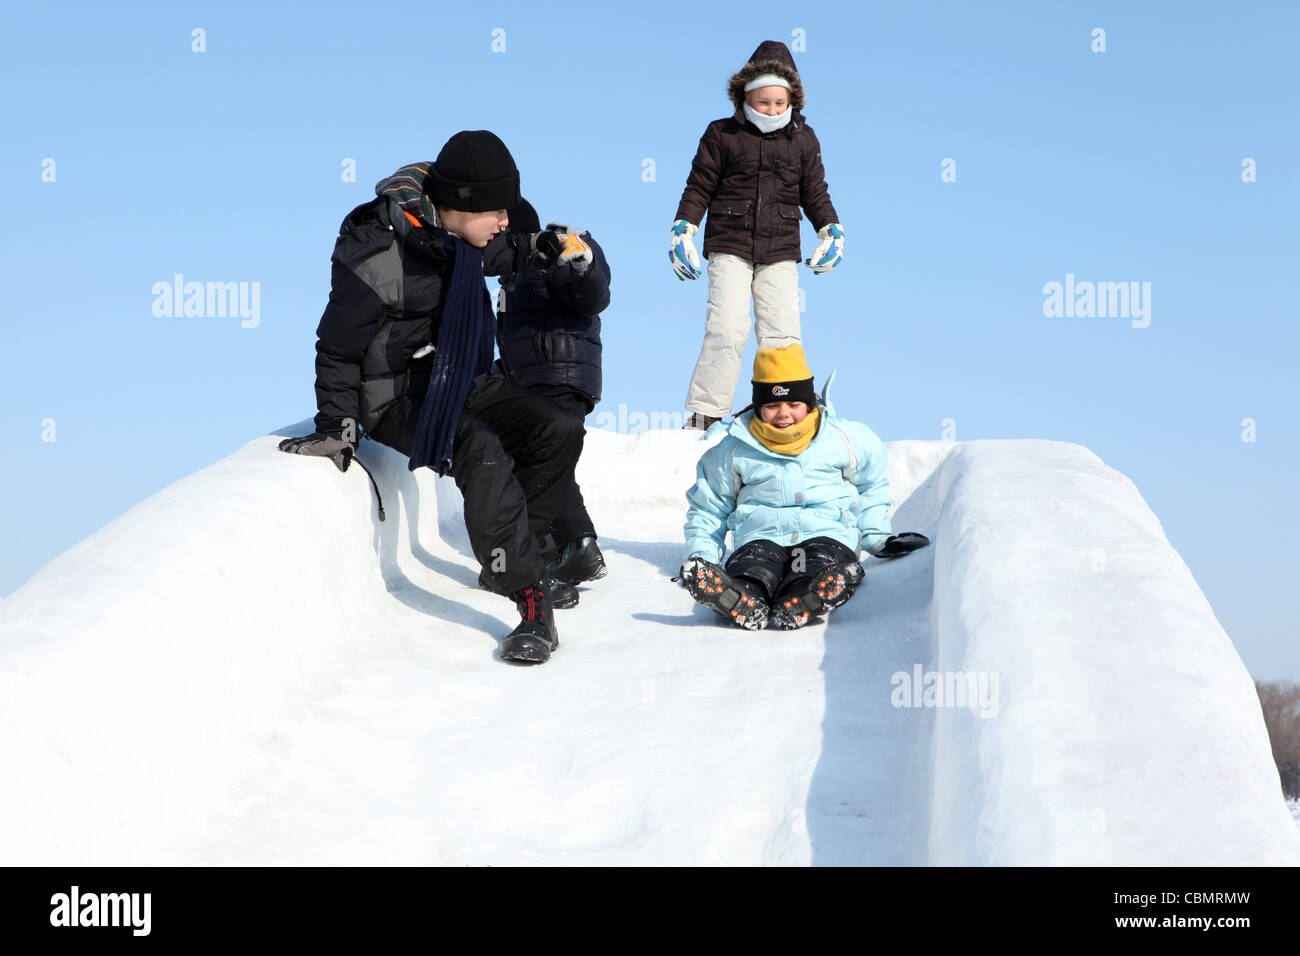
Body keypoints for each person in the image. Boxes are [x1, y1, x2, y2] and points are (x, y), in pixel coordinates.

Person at [278, 131, 591, 665]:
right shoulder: (377, 251)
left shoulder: (461, 232)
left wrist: (536, 247)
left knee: (557, 426)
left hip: (457, 376)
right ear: (462, 204)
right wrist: (337, 423)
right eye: (497, 211)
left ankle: (512, 556)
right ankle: (530, 597)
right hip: (393, 394)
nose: (504, 222)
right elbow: (337, 346)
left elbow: (500, 250)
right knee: (480, 448)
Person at [678, 344, 929, 630]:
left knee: (817, 565)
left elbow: (870, 488)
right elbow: (708, 507)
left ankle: (805, 596)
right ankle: (740, 596)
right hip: (761, 538)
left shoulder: (844, 439)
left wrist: (877, 537)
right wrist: (703, 558)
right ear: (758, 407)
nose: (783, 414)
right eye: (772, 405)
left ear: (809, 403)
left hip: (826, 534)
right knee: (753, 569)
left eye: (793, 405)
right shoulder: (735, 448)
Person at [670, 39, 846, 431]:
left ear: (792, 102)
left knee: (782, 334)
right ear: (744, 97)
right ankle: (705, 415)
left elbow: (814, 190)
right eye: (763, 102)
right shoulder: (722, 134)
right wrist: (684, 229)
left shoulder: (804, 138)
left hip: (780, 248)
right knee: (727, 327)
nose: (771, 110)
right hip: (729, 244)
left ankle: (784, 413)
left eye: (779, 103)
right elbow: (699, 185)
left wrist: (830, 229)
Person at [493, 198, 612, 586]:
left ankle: (577, 546)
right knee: (543, 458)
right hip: (535, 379)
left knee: (545, 461)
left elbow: (593, 295)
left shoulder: (550, 256)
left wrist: (582, 264)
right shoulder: (511, 279)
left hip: (560, 376)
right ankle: (554, 545)